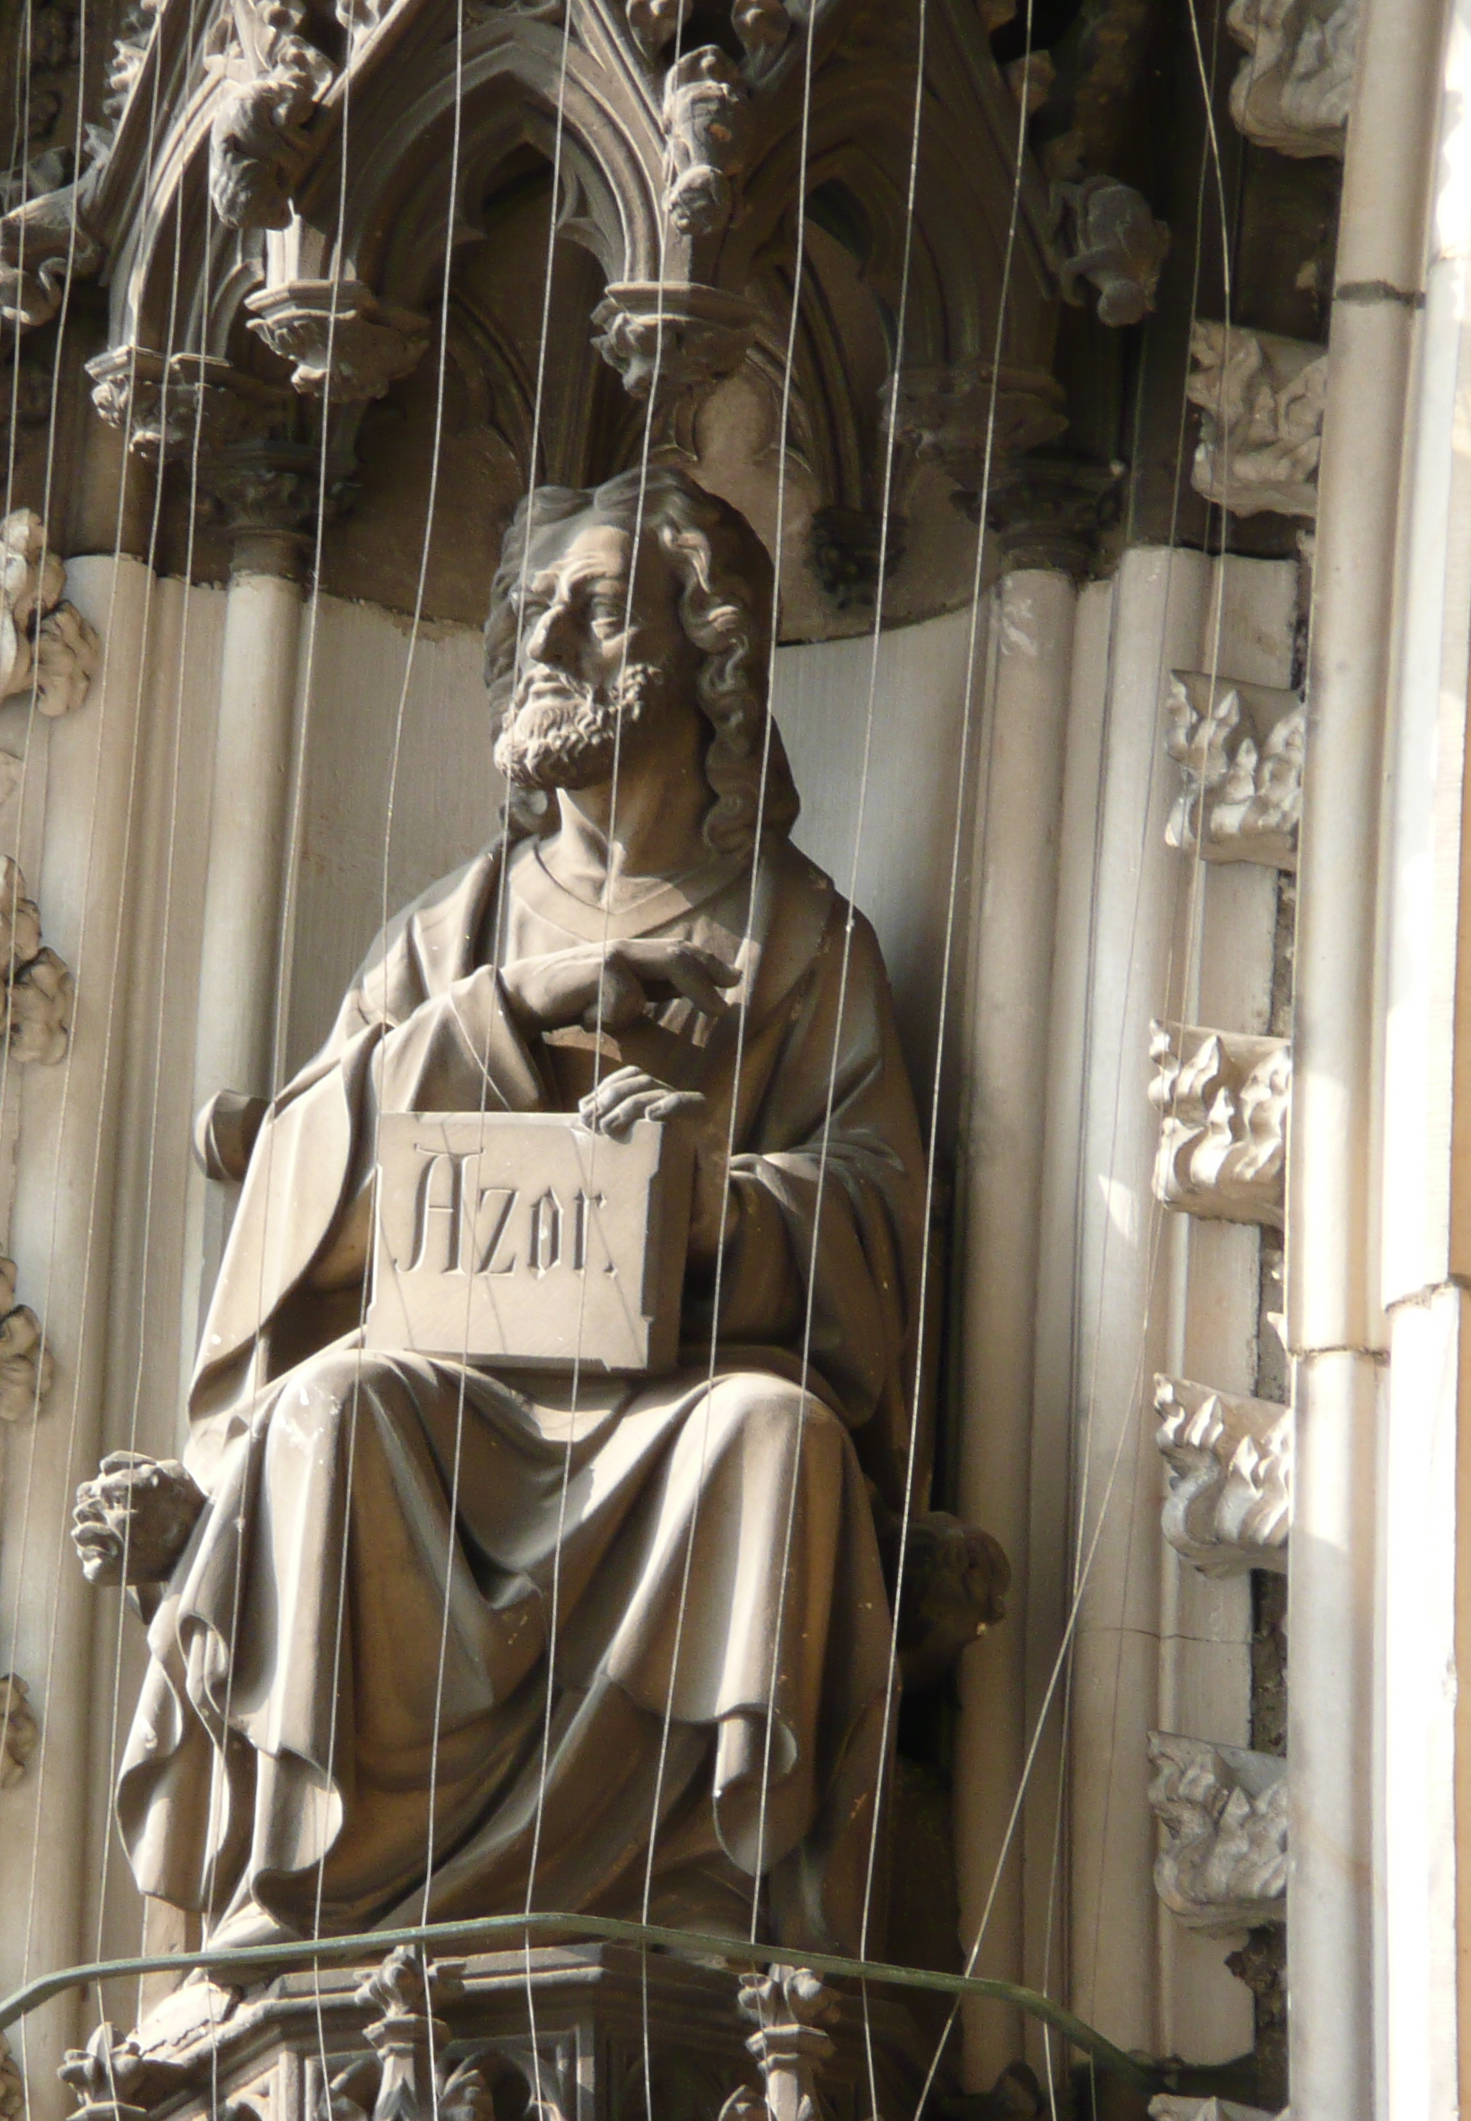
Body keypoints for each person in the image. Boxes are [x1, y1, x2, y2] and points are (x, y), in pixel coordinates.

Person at [74, 466, 925, 1959]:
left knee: (776, 1441)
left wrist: (709, 1209)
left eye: (597, 615)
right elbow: (297, 1181)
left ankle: (722, 1935)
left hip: (667, 1413)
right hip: (448, 1412)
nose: (547, 650)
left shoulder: (797, 937)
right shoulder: (449, 933)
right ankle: (310, 1893)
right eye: (529, 616)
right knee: (324, 1417)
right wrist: (507, 1014)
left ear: (708, 653)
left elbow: (877, 1214)